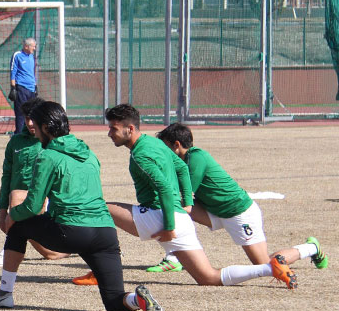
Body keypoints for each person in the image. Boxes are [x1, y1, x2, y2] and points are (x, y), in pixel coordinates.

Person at [0, 101, 164, 311]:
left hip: (72, 229)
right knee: (114, 303)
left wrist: (12, 215)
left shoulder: (47, 156)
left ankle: (4, 295)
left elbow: (33, 206)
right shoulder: (89, 153)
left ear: (46, 128)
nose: (34, 132)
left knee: (18, 228)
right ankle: (136, 299)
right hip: (105, 232)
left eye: (36, 127)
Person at [92, 104, 297, 289]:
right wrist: (188, 205)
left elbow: (164, 189)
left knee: (100, 208)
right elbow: (182, 167)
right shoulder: (155, 144)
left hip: (161, 216)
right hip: (181, 218)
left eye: (113, 128)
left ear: (130, 129)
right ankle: (270, 268)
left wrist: (169, 227)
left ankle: (101, 270)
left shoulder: (141, 154)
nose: (109, 133)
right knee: (208, 277)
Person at [151, 122, 327, 270]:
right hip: (215, 211)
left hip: (238, 212)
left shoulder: (196, 157)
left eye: (165, 147)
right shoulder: (182, 161)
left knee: (264, 264)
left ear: (176, 145)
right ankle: (173, 258)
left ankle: (311, 248)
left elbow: (186, 194)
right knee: (172, 210)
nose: (162, 152)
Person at [0, 97, 69, 267]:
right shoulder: (15, 142)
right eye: (27, 118)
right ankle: (14, 246)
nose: (30, 123)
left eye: (33, 119)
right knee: (50, 254)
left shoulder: (52, 142)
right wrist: (2, 210)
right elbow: (6, 176)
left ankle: (9, 250)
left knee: (17, 200)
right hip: (21, 204)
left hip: (45, 201)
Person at [9, 37, 37, 133]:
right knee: (21, 113)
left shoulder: (32, 57)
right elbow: (13, 72)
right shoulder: (17, 55)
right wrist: (13, 88)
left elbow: (31, 72)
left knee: (31, 113)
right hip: (21, 88)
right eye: (33, 46)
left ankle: (28, 133)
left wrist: (35, 86)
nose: (34, 49)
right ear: (26, 46)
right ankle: (19, 134)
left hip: (31, 89)